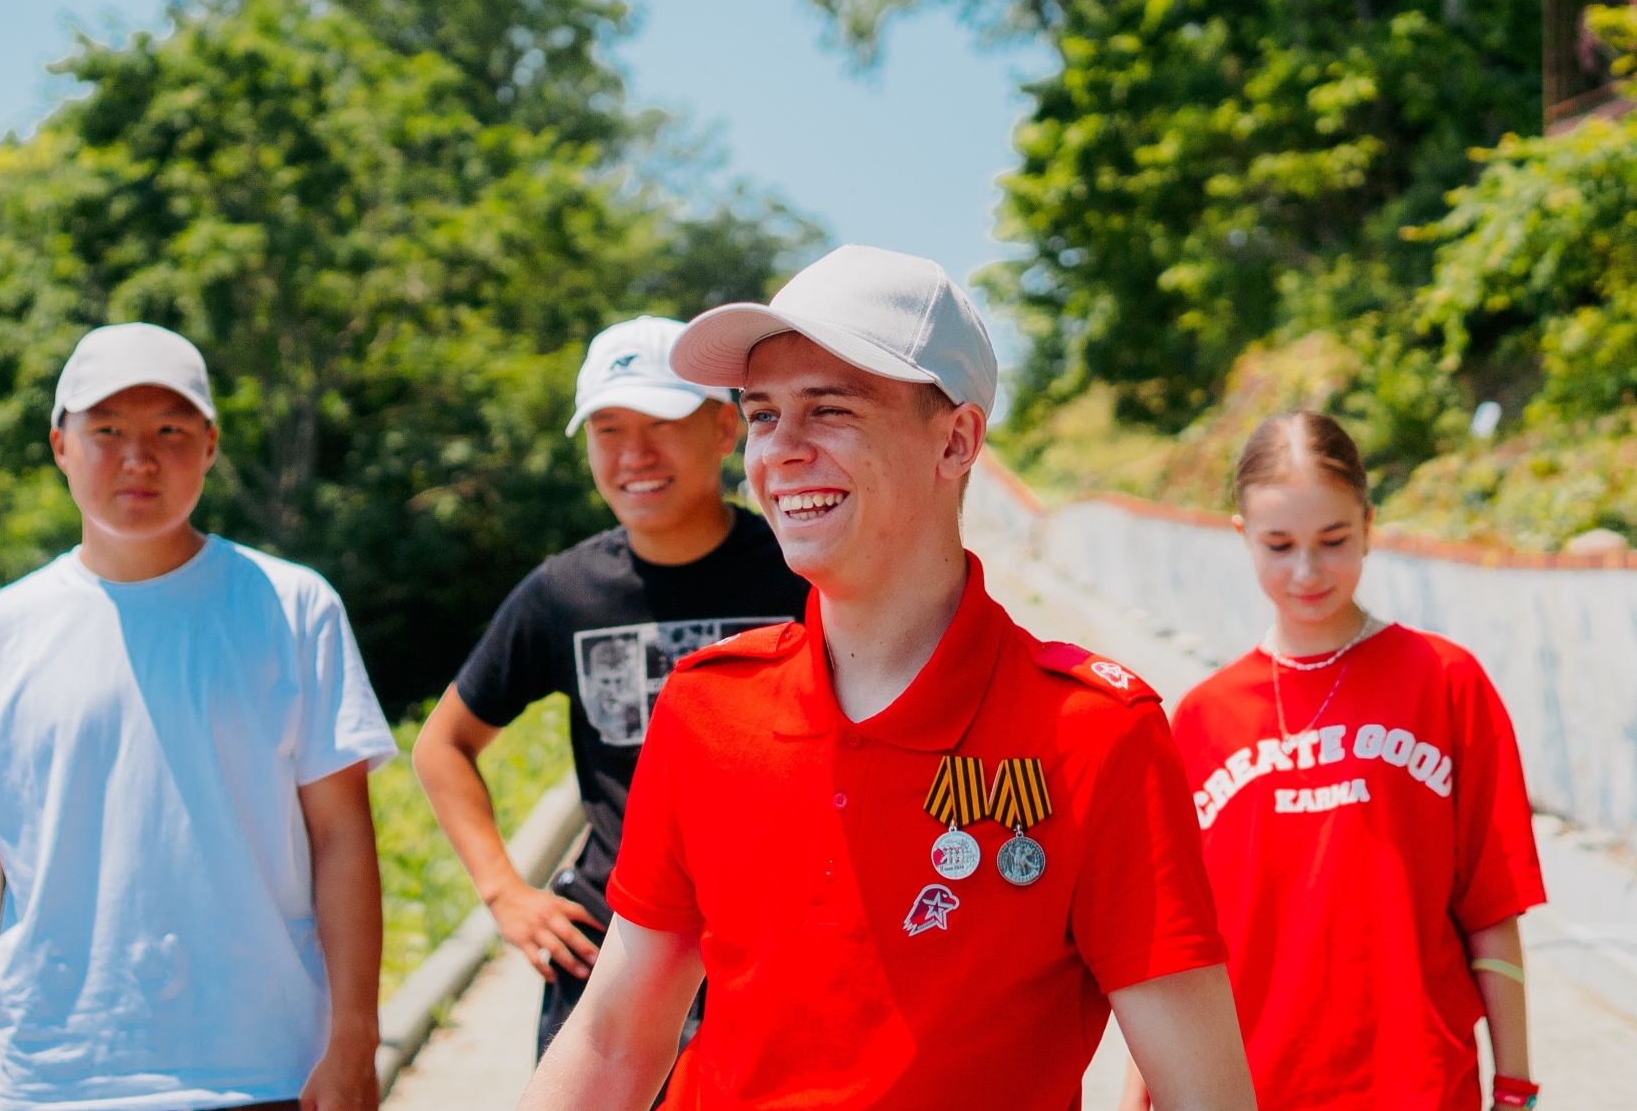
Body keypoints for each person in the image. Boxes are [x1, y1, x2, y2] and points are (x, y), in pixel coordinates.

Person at [518, 246, 1257, 1111]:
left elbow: (1203, 1096)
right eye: (763, 415)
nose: (780, 451)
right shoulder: (705, 705)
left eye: (829, 410)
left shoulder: (1096, 732)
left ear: (956, 440)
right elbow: (613, 1040)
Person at [0, 323, 397, 1111]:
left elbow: (342, 836)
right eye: (107, 431)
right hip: (58, 1080)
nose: (139, 458)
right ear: (60, 445)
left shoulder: (292, 606)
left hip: (269, 1071)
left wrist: (355, 1036)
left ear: (210, 445)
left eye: (170, 431)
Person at [1125, 411, 1547, 1111]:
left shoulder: (1446, 682)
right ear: (1242, 537)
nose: (1307, 571)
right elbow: (1177, 948)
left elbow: (1493, 908)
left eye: (1333, 539)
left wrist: (1516, 1087)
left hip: (1420, 1088)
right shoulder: (1202, 718)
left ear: (1369, 524)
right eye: (1279, 544)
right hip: (1245, 1090)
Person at [411, 316, 807, 1059]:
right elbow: (442, 745)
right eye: (608, 430)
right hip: (612, 954)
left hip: (778, 947)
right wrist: (505, 894)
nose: (635, 455)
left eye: (662, 424)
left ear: (724, 428)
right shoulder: (564, 592)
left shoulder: (800, 571)